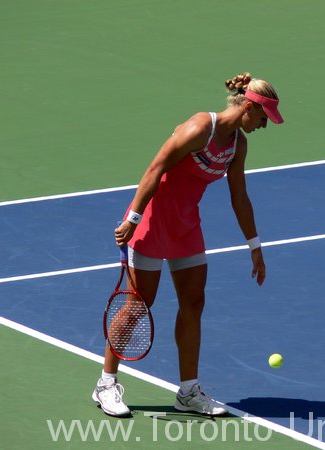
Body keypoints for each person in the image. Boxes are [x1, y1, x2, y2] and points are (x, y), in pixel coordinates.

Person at [92, 72, 284, 417]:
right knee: (139, 304)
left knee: (193, 302)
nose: (264, 126)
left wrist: (254, 245)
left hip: (185, 226)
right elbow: (156, 168)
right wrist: (132, 219)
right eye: (264, 118)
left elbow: (239, 196)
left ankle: (188, 392)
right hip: (150, 222)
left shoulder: (238, 145)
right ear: (249, 108)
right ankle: (106, 383)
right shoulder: (198, 128)